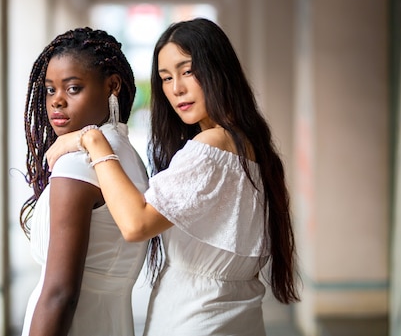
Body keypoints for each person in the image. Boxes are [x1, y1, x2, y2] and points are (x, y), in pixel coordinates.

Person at [45, 17, 300, 336]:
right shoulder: (252, 145)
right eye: (165, 78)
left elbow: (136, 224)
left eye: (187, 71)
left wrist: (92, 140)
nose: (176, 88)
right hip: (239, 319)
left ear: (218, 69)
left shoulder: (211, 146)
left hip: (193, 320)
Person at [19, 27, 150, 336]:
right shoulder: (126, 156)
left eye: (73, 88)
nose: (56, 102)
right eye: (50, 90)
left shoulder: (78, 164)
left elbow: (60, 294)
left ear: (112, 86)